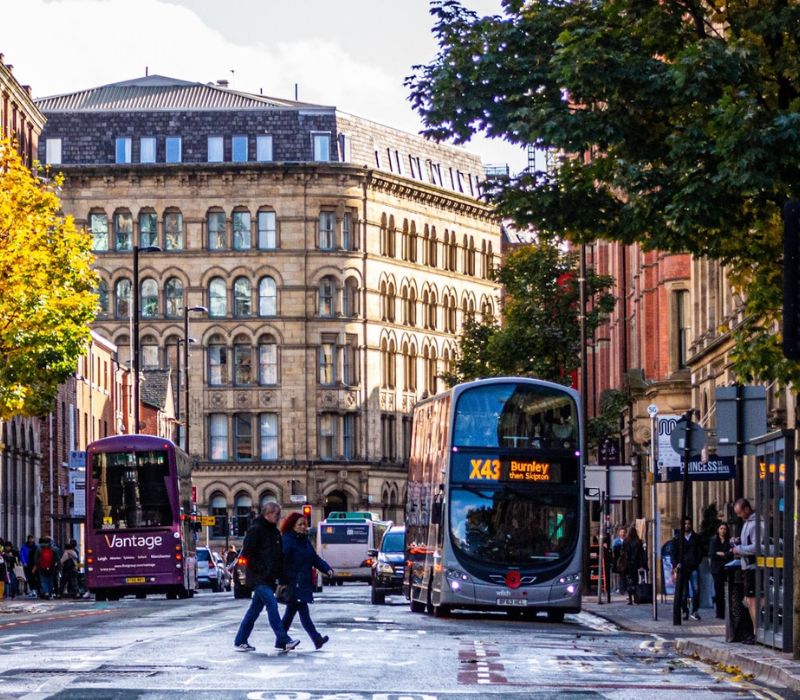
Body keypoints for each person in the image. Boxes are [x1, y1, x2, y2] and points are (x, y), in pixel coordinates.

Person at [233, 502, 299, 653]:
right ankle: (284, 640)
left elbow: (278, 557)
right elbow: (247, 553)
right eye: (276, 514)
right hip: (259, 578)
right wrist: (261, 569)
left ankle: (240, 640)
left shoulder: (274, 532)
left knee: (254, 611)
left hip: (268, 578)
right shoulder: (256, 530)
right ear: (267, 514)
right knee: (272, 605)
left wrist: (282, 578)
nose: (278, 517)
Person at [279, 512, 334, 650]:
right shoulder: (287, 540)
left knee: (291, 613)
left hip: (303, 581)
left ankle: (280, 641)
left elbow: (314, 558)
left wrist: (327, 569)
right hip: (294, 582)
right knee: (303, 612)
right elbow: (281, 561)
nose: (304, 527)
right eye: (300, 524)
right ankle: (316, 639)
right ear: (292, 526)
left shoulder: (304, 541)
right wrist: (283, 579)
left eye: (305, 524)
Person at [732, 498, 758, 644]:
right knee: (749, 601)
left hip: (754, 567)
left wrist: (739, 549)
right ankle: (755, 632)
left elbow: (757, 547)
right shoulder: (747, 523)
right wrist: (738, 542)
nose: (738, 515)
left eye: (740, 512)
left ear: (747, 509)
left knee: (752, 602)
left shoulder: (755, 524)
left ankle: (756, 633)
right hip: (747, 567)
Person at [671, 517, 702, 621]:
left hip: (693, 567)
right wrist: (675, 565)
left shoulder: (696, 538)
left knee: (696, 589)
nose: (687, 526)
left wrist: (697, 562)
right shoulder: (677, 538)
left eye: (689, 523)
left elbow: (700, 552)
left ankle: (695, 610)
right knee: (684, 592)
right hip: (682, 568)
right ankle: (684, 611)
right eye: (685, 524)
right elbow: (673, 554)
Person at [708, 522, 733, 619]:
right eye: (721, 528)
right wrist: (725, 554)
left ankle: (729, 612)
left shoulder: (729, 541)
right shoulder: (714, 540)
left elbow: (731, 554)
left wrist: (723, 554)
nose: (723, 530)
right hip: (717, 569)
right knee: (719, 591)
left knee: (728, 590)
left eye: (725, 529)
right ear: (718, 530)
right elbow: (713, 554)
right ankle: (720, 613)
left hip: (727, 568)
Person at [620, 526, 646, 605]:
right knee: (636, 581)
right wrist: (642, 564)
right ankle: (636, 597)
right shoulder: (638, 541)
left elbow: (622, 553)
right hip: (636, 564)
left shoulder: (626, 541)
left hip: (628, 564)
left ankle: (630, 598)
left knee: (629, 581)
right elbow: (642, 554)